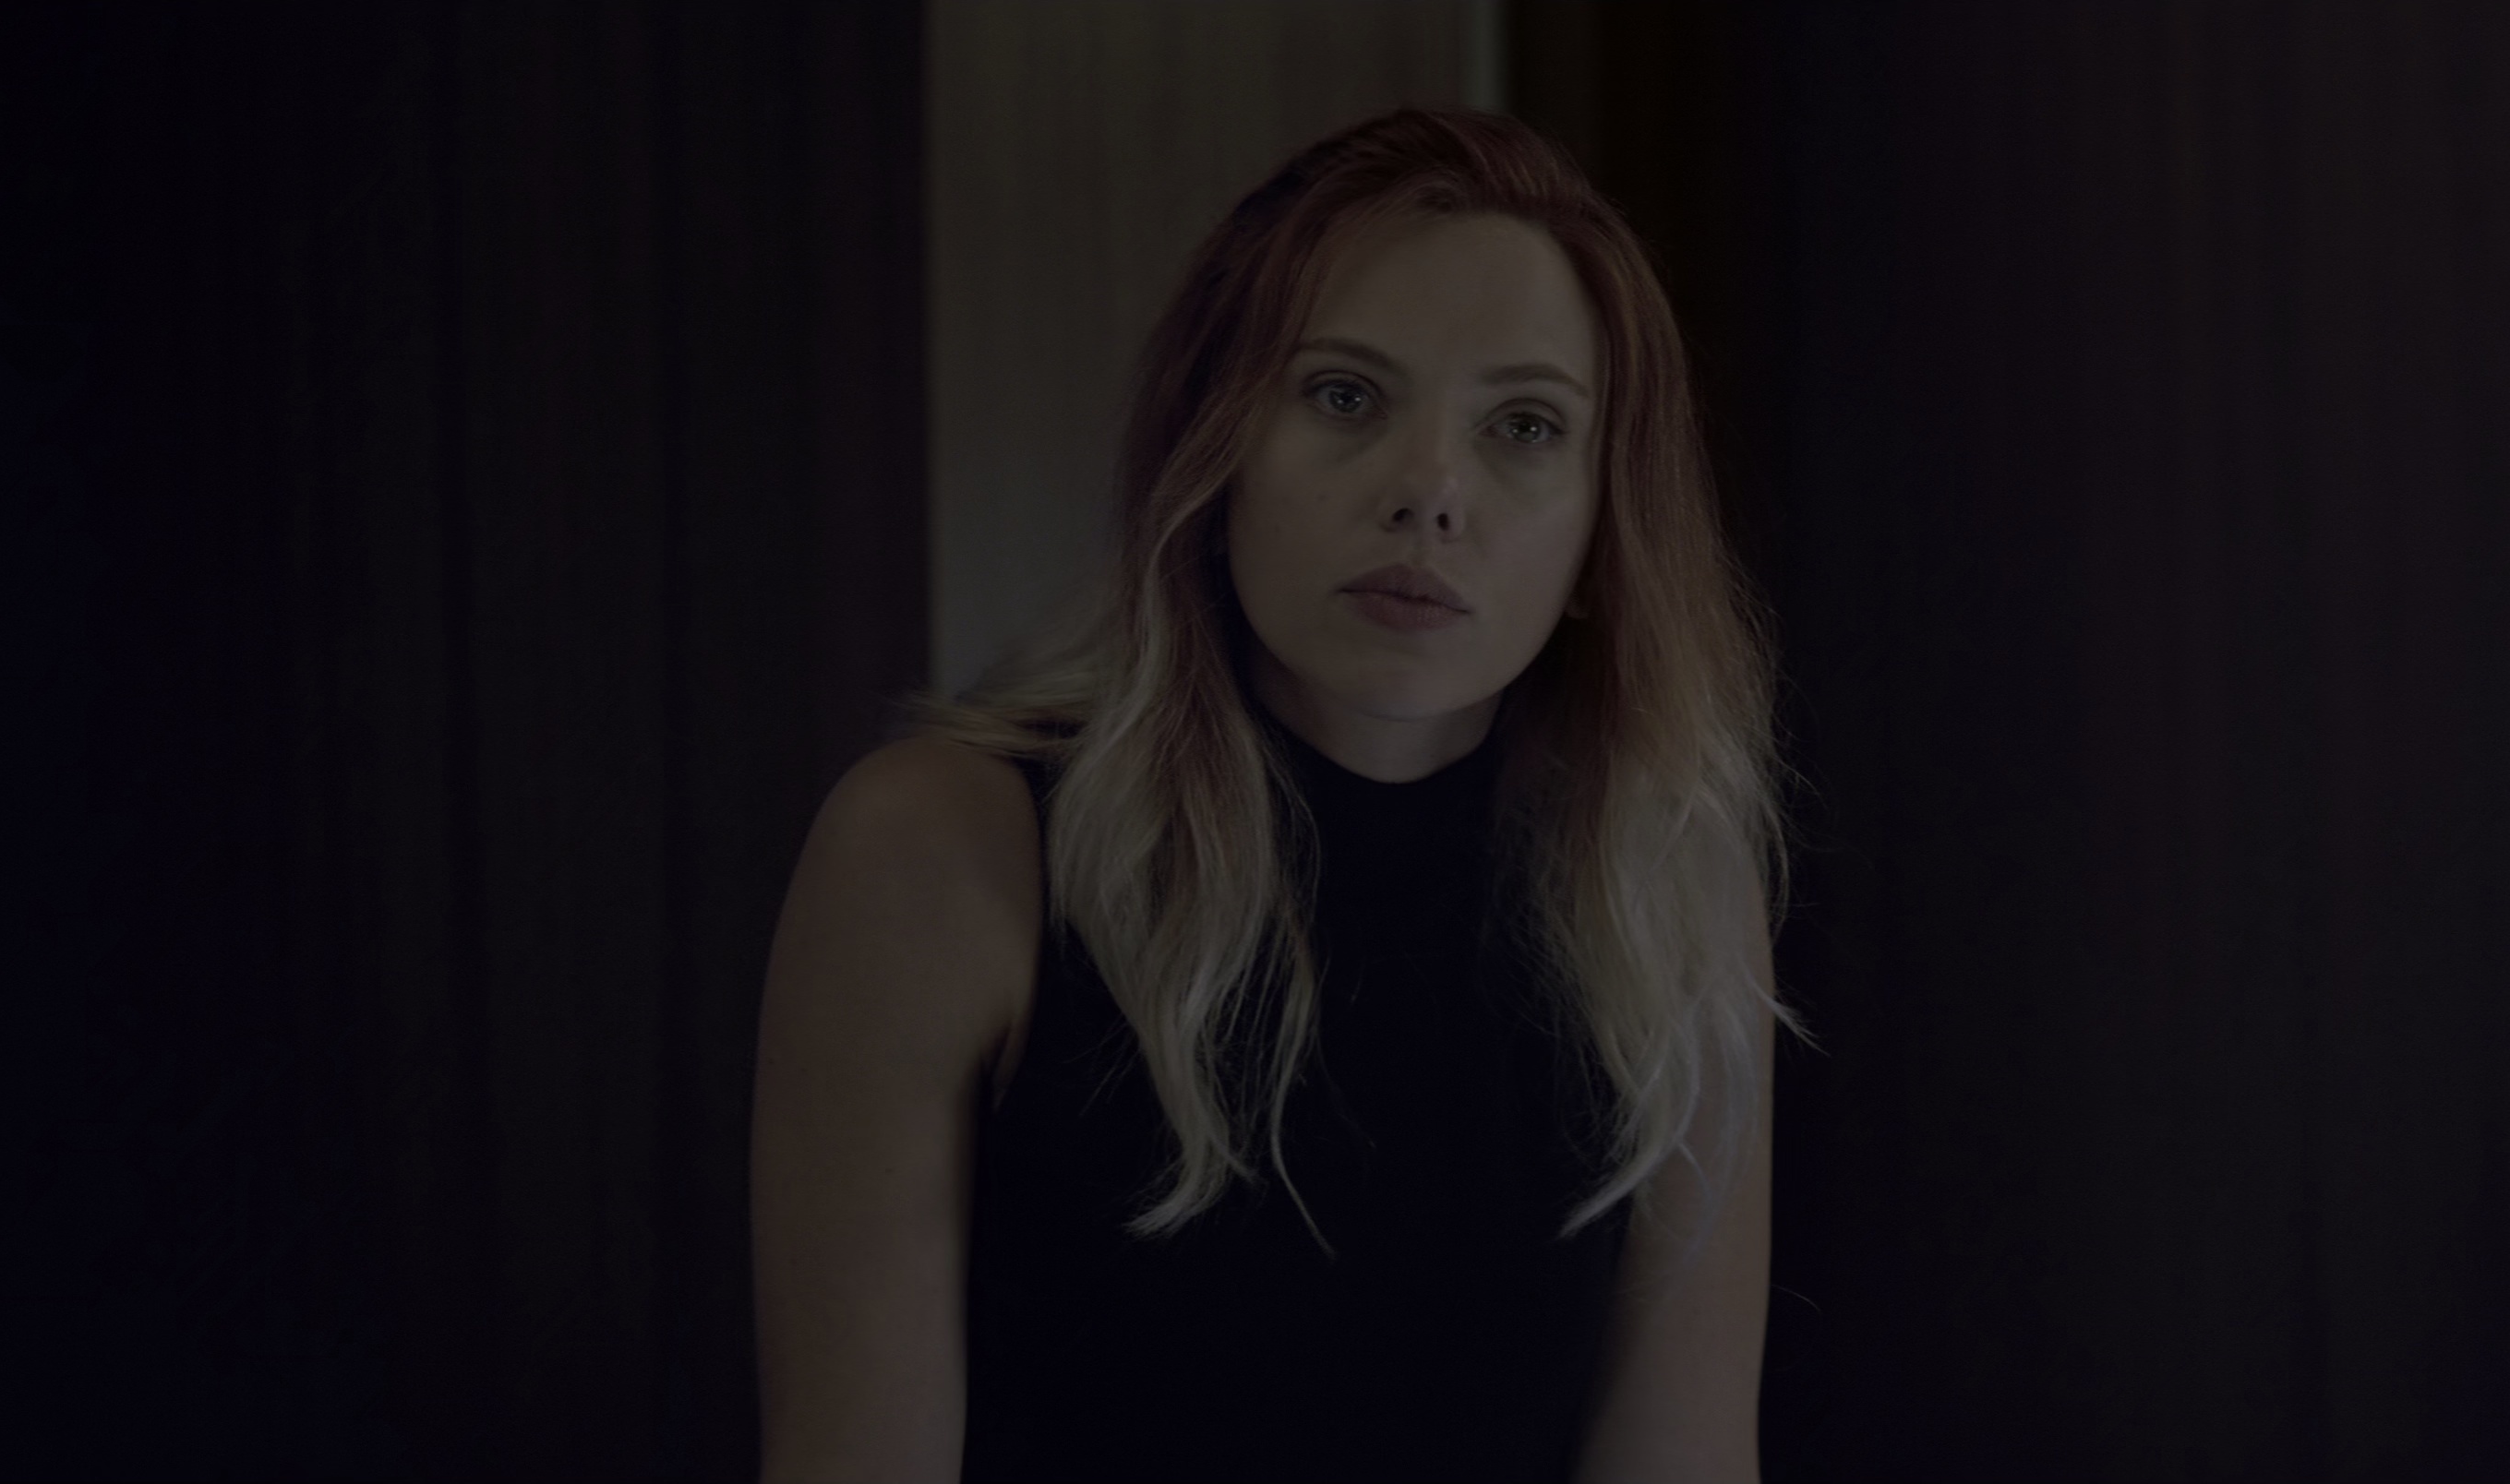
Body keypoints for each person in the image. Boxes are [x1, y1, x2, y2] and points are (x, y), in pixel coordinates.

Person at [747, 108, 1785, 1483]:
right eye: (1345, 396)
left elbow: (1683, 1461)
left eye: (1525, 426)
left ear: (1604, 534)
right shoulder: (942, 852)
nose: (1430, 493)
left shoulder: (1664, 891)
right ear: (1214, 447)